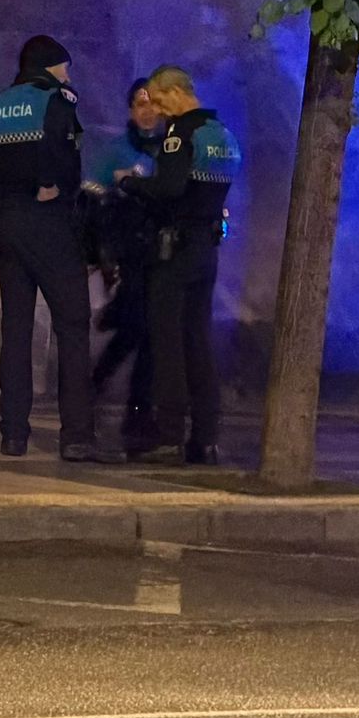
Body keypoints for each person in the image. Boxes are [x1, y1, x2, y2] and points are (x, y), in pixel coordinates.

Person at [0, 36, 121, 463]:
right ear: (50, 67)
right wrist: (47, 185)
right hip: (50, 225)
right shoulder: (57, 101)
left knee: (15, 330)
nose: (68, 75)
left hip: (8, 225)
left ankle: (13, 434)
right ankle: (76, 437)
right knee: (72, 324)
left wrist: (16, 181)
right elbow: (68, 168)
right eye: (65, 67)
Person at [116, 66, 241, 465]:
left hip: (175, 249)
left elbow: (169, 190)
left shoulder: (180, 135)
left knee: (168, 342)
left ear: (174, 92)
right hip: (207, 249)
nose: (157, 109)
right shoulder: (222, 134)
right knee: (199, 342)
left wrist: (129, 183)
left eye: (158, 98)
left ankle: (169, 434)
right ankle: (205, 436)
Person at [86, 80, 164, 445]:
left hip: (162, 253)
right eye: (138, 104)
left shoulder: (172, 149)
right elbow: (93, 197)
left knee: (146, 329)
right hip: (127, 250)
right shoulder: (116, 150)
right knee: (140, 326)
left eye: (153, 104)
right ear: (131, 110)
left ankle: (134, 405)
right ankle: (115, 393)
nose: (146, 111)